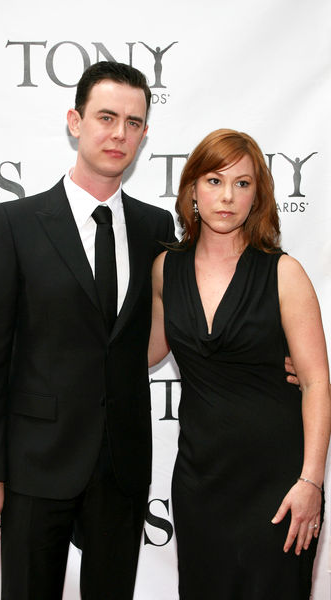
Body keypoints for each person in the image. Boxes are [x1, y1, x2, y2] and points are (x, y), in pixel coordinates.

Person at [0, 61, 176, 600]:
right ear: (75, 122)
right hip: (37, 462)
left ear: (145, 134)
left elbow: (183, 322)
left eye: (133, 122)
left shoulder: (157, 228)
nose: (119, 133)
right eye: (107, 117)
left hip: (122, 467)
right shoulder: (16, 223)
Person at [148, 129, 330, 599]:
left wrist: (311, 481)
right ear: (191, 189)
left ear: (259, 196)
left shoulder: (283, 272)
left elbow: (315, 382)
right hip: (200, 482)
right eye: (213, 180)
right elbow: (145, 353)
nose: (227, 196)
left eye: (242, 183)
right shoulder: (167, 269)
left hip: (279, 485)